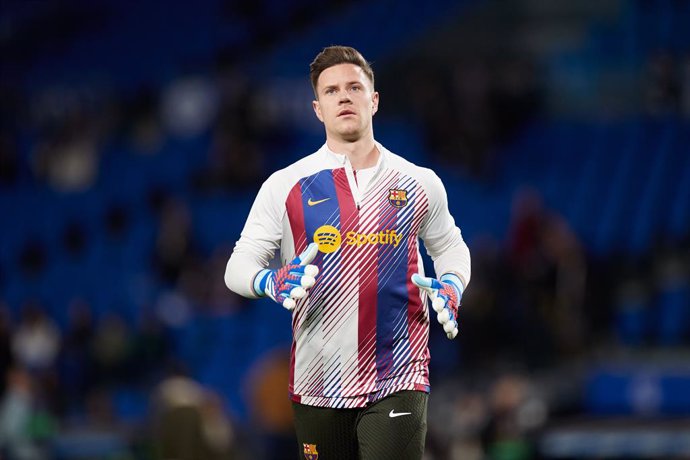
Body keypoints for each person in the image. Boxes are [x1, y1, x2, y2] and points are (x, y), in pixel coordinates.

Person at [225, 45, 471, 459]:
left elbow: (450, 247)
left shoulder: (418, 182)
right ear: (318, 108)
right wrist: (269, 279)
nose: (344, 96)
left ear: (373, 100)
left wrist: (451, 285)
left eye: (355, 87)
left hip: (399, 376)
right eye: (332, 90)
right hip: (317, 383)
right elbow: (238, 266)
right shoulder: (285, 185)